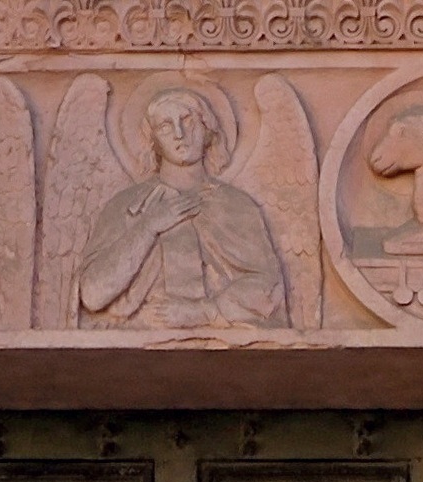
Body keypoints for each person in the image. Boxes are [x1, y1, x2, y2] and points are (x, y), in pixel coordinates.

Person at [78, 86, 287, 326]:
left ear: (207, 127)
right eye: (165, 126)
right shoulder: (126, 206)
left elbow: (268, 286)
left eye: (188, 121)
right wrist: (147, 227)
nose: (179, 134)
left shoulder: (237, 206)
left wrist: (204, 311)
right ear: (153, 141)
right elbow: (92, 296)